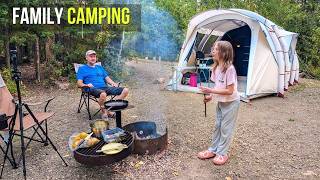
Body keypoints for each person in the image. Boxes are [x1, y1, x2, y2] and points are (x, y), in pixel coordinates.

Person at [197, 41, 240, 165]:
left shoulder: (230, 69)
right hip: (221, 102)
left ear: (224, 53)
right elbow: (218, 86)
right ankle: (213, 150)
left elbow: (230, 91)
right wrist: (210, 96)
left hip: (231, 103)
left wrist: (210, 90)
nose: (213, 51)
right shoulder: (215, 68)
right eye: (213, 48)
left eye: (216, 49)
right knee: (218, 126)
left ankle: (222, 153)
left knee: (226, 128)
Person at [76, 50, 129, 118]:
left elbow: (107, 78)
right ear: (86, 58)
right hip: (91, 88)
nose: (93, 58)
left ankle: (109, 109)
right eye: (91, 56)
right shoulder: (82, 69)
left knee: (125, 90)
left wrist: (113, 83)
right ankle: (105, 112)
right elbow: (79, 83)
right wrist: (85, 85)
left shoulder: (99, 67)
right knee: (103, 94)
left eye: (94, 56)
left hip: (104, 87)